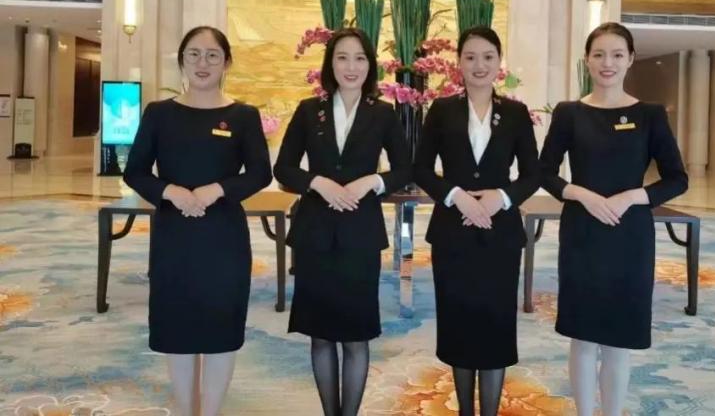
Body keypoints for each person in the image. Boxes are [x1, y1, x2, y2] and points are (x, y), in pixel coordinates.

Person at [539, 22, 688, 416]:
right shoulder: (569, 113)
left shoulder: (650, 115)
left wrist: (633, 197)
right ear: (587, 60)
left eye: (617, 54)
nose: (608, 63)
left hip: (630, 236)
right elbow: (544, 173)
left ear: (630, 59)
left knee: (620, 340)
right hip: (583, 233)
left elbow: (677, 179)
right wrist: (582, 194)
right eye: (599, 54)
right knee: (583, 336)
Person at [123, 26, 272, 416]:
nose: (202, 63)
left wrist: (216, 190)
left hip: (223, 236)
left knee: (221, 327)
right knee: (178, 328)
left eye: (212, 55)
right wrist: (171, 192)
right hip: (174, 236)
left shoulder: (243, 115)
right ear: (182, 60)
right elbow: (135, 171)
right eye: (193, 54)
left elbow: (260, 173)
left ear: (226, 62)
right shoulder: (159, 113)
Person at [274, 27, 411, 416]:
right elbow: (283, 167)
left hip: (360, 235)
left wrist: (372, 182)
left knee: (355, 336)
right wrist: (317, 182)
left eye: (360, 58)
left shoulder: (383, 113)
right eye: (342, 57)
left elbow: (405, 169)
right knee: (320, 336)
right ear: (330, 64)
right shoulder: (308, 110)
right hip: (315, 234)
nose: (351, 67)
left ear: (370, 65)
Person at [414, 26, 539, 416]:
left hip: (500, 235)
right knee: (459, 324)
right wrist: (457, 197)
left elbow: (533, 174)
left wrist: (502, 198)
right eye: (470, 57)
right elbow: (421, 169)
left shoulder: (516, 113)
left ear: (499, 62)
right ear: (459, 63)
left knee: (495, 325)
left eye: (488, 57)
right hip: (452, 233)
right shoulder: (442, 110)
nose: (479, 65)